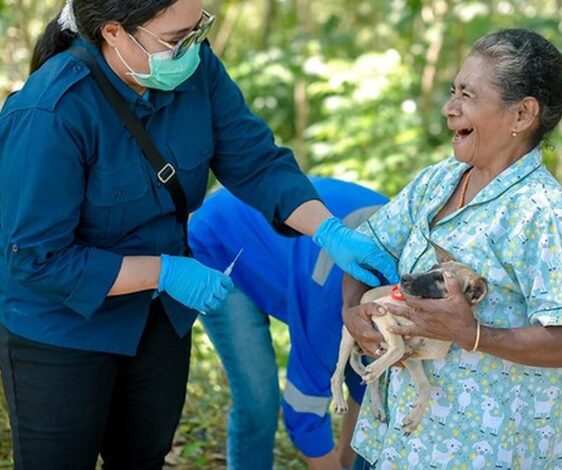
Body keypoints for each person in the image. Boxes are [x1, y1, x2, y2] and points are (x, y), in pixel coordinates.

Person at [0, 1, 398, 468]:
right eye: (175, 39)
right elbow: (36, 260)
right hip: (62, 330)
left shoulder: (193, 68)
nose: (191, 48)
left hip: (155, 323)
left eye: (198, 30)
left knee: (143, 456)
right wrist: (163, 271)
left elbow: (255, 159)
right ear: (114, 33)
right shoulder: (51, 112)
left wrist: (327, 230)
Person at [343, 29, 562, 469]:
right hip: (392, 443)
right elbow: (364, 249)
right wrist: (353, 312)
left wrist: (475, 335)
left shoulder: (543, 211)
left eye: (466, 94)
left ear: (521, 114)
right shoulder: (438, 179)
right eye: (451, 91)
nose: (449, 108)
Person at [189, 177, 387, 470]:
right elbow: (303, 410)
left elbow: (369, 391)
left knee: (373, 380)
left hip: (289, 255)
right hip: (223, 241)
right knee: (259, 398)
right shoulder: (331, 301)